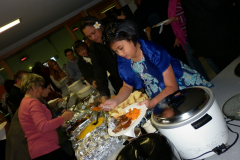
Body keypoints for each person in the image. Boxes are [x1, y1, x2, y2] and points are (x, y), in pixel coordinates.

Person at [101, 20, 213, 110]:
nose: (120, 54)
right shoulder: (124, 59)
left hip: (179, 85)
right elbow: (127, 86)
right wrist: (116, 100)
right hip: (159, 93)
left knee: (196, 109)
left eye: (121, 48)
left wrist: (152, 103)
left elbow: (172, 87)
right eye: (115, 51)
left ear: (131, 37)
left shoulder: (154, 52)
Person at [18, 73, 74, 160]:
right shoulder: (32, 102)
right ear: (33, 86)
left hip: (41, 150)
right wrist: (63, 118)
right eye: (40, 86)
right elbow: (43, 126)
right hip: (46, 149)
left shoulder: (25, 102)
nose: (41, 90)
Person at [180, 0, 240, 70]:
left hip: (209, 33)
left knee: (227, 67)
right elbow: (213, 4)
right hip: (218, 34)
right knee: (232, 66)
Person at [79, 16, 123, 102]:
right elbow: (99, 72)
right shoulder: (94, 48)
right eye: (89, 36)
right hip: (119, 81)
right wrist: (104, 95)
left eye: (93, 33)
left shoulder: (114, 35)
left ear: (98, 25)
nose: (93, 37)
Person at [133, 0, 189, 65]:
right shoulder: (139, 13)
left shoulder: (161, 3)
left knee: (179, 61)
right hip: (163, 39)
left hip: (170, 36)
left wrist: (177, 35)